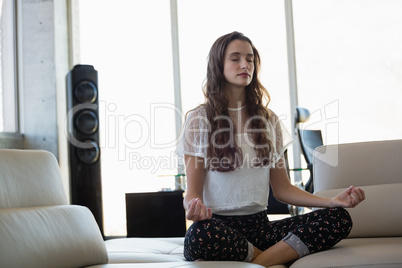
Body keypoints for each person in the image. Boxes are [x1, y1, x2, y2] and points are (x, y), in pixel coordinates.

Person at [175, 31, 365, 267]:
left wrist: (331, 202)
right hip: (216, 228)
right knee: (199, 235)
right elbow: (192, 194)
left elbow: (283, 189)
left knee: (339, 218)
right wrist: (192, 208)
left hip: (260, 228)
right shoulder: (199, 119)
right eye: (235, 58)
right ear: (218, 65)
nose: (245, 64)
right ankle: (272, 257)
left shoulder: (268, 120)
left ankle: (256, 260)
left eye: (250, 59)